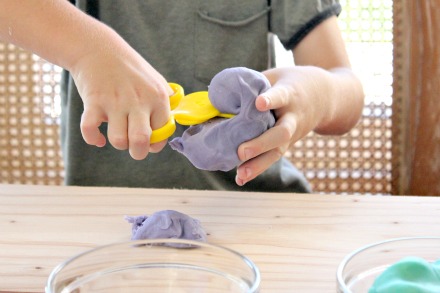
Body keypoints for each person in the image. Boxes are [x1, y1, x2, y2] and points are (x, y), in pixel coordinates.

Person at [0, 0, 364, 192]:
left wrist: (315, 94)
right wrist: (86, 50)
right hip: (107, 225)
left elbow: (346, 88)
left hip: (253, 214)